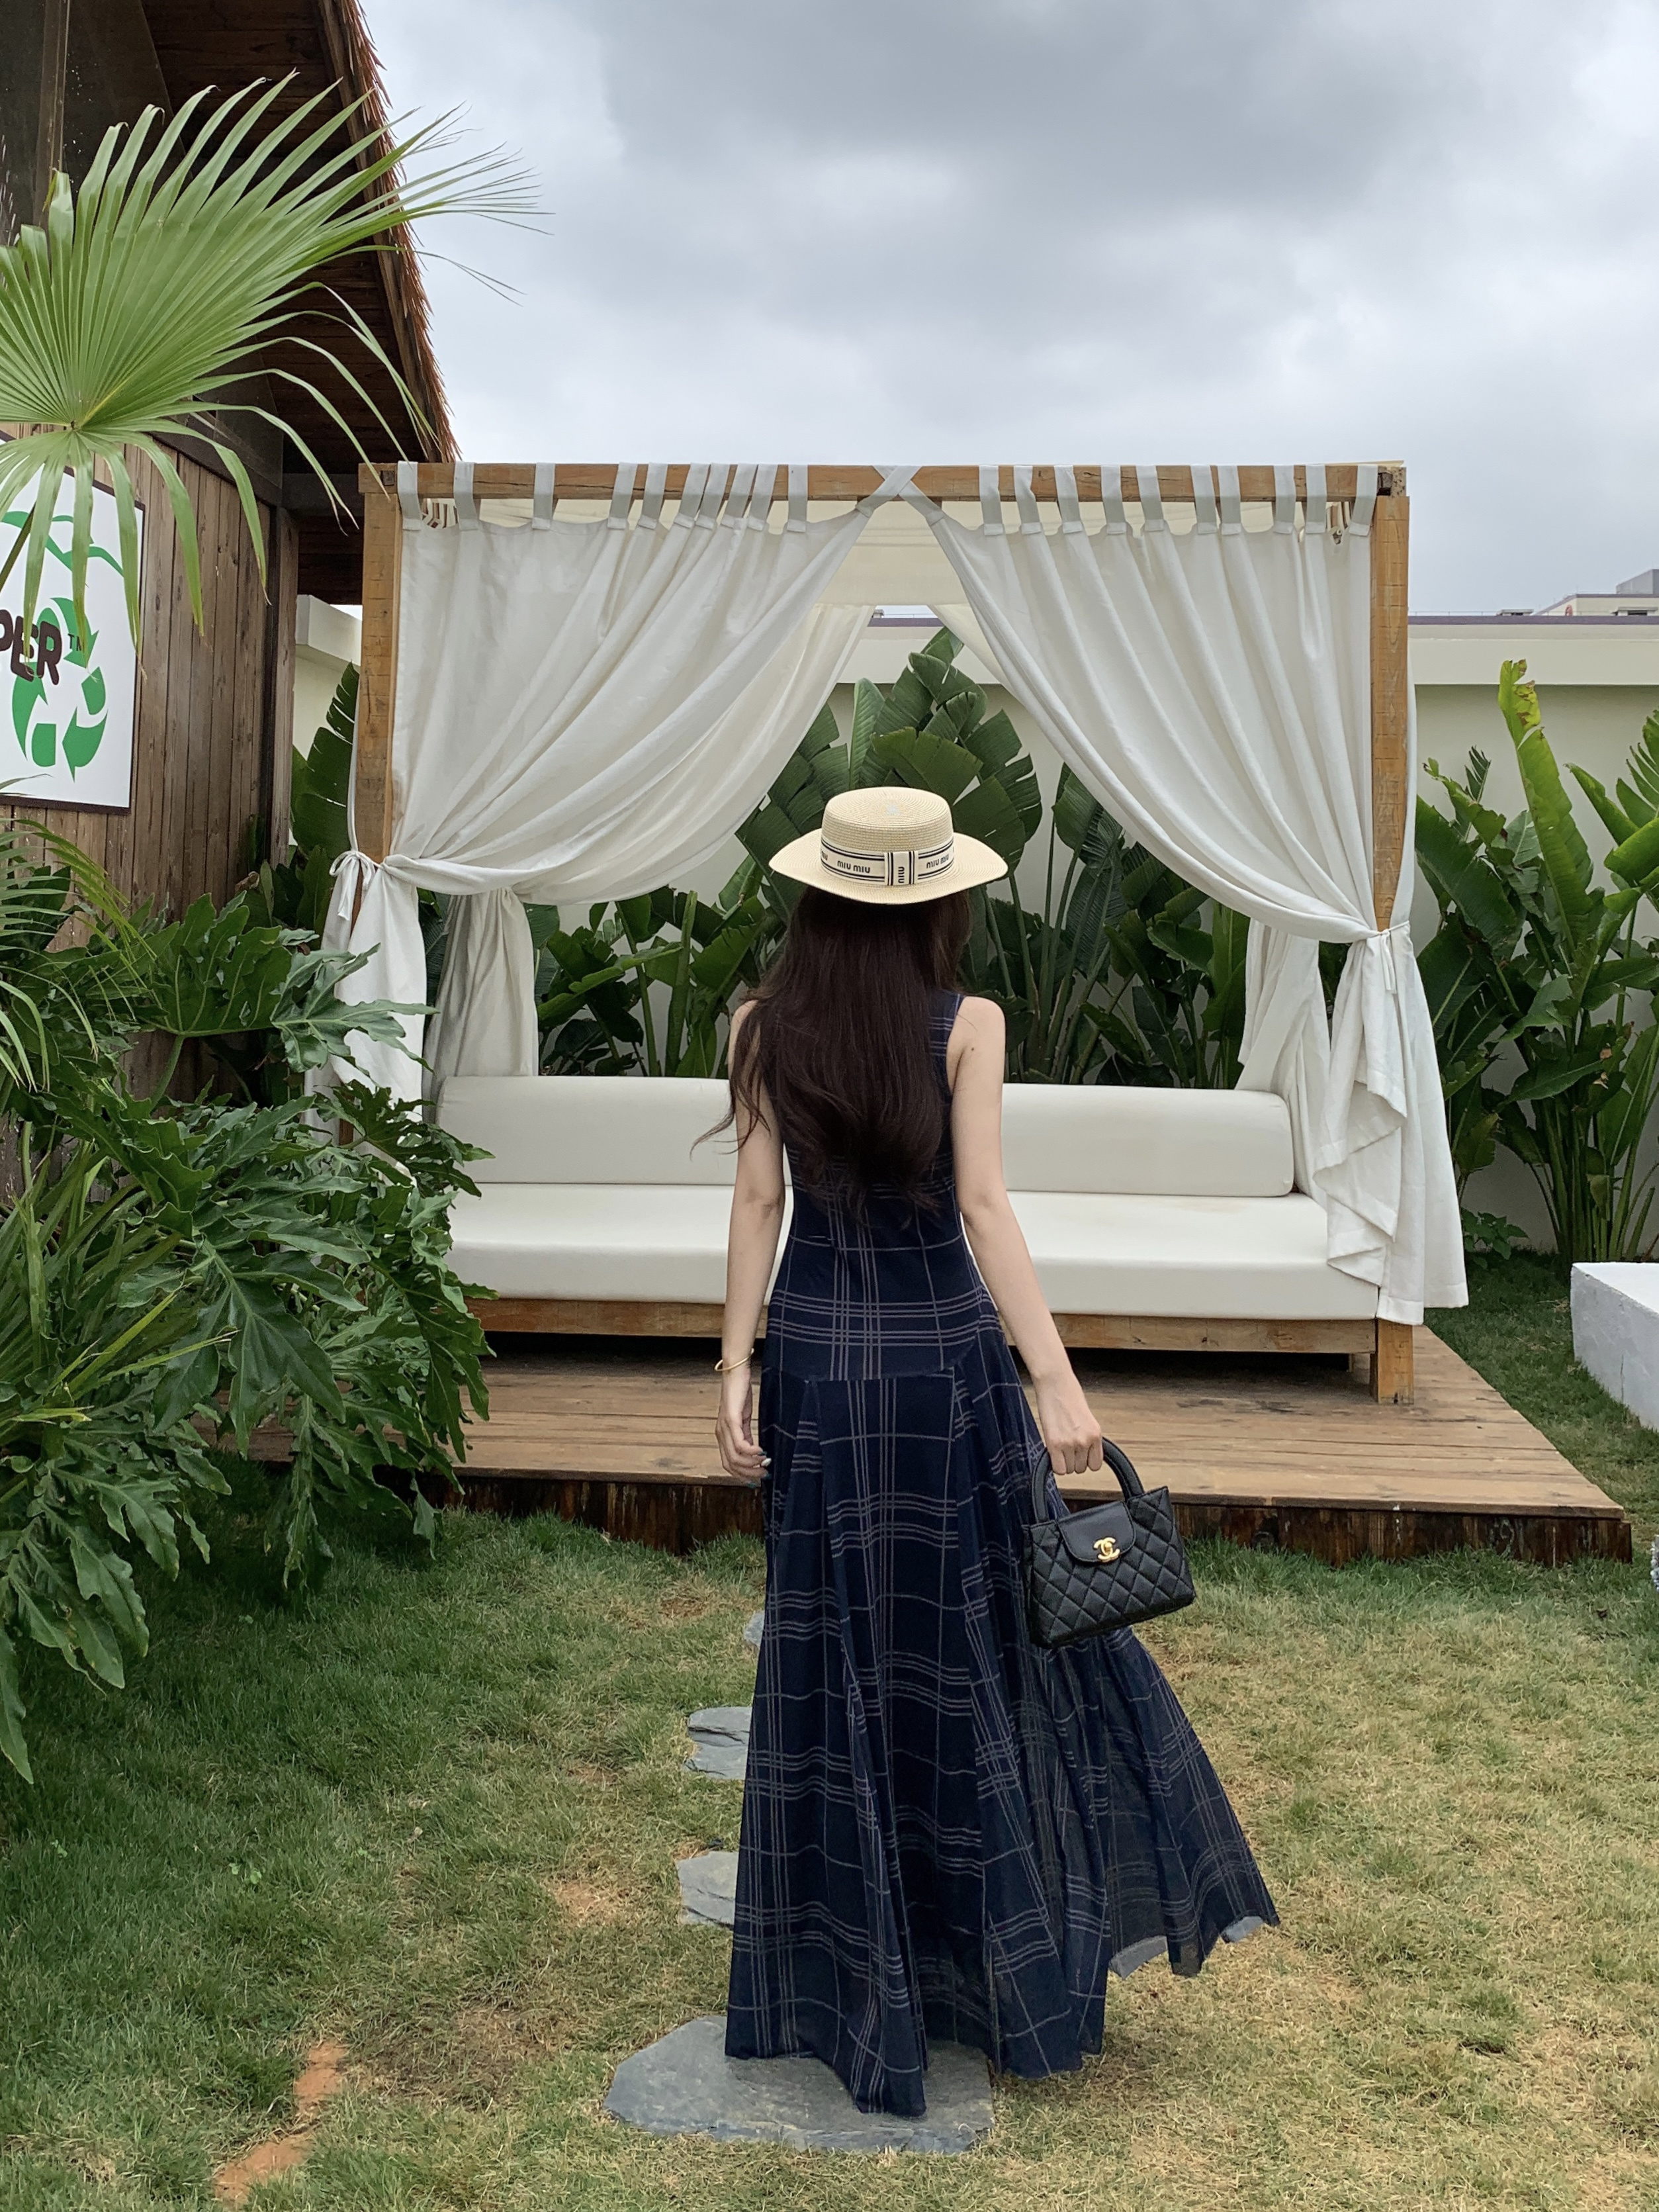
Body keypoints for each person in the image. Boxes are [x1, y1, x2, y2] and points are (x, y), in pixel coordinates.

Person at [714, 785, 1277, 2119]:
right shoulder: (968, 1023)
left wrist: (735, 1365)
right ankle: (991, 1962)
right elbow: (980, 1205)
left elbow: (756, 1198)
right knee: (980, 1653)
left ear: (819, 894)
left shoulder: (758, 1024)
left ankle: (841, 1974)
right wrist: (1057, 1382)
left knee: (833, 1653)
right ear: (940, 900)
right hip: (946, 1370)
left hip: (819, 1366)